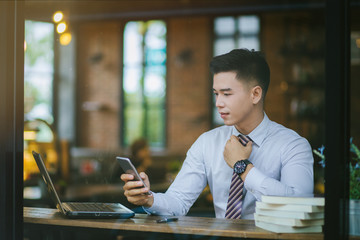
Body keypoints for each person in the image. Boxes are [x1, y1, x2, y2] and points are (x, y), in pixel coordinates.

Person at [121, 49, 314, 219]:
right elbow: (178, 201)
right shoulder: (208, 142)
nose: (218, 103)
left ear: (255, 94)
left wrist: (243, 167)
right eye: (216, 93)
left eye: (227, 94)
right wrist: (149, 199)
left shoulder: (293, 145)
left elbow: (300, 205)